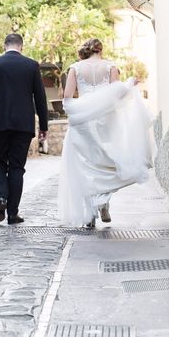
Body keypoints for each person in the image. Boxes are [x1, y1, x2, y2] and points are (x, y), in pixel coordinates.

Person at [58, 38, 152, 229]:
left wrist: (78, 112)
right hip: (105, 121)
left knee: (86, 166)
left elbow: (67, 97)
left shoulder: (75, 68)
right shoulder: (111, 67)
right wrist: (129, 85)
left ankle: (91, 212)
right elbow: (116, 95)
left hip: (83, 122)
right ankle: (104, 202)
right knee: (106, 161)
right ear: (100, 50)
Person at [0, 33, 49, 225]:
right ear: (21, 46)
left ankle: (1, 198)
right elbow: (40, 99)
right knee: (17, 168)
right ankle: (12, 214)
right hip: (23, 126)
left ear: (4, 46)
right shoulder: (31, 66)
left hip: (0, 124)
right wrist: (44, 127)